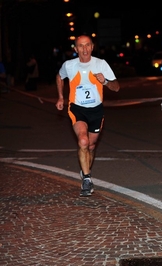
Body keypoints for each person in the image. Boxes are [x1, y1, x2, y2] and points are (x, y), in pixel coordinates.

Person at [55, 34, 120, 197]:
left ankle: (85, 171)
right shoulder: (69, 65)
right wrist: (61, 97)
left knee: (91, 146)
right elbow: (59, 77)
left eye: (87, 45)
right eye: (80, 46)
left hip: (96, 110)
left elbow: (116, 87)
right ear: (75, 49)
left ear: (92, 47)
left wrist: (105, 81)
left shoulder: (101, 64)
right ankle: (87, 179)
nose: (84, 49)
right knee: (83, 140)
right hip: (77, 109)